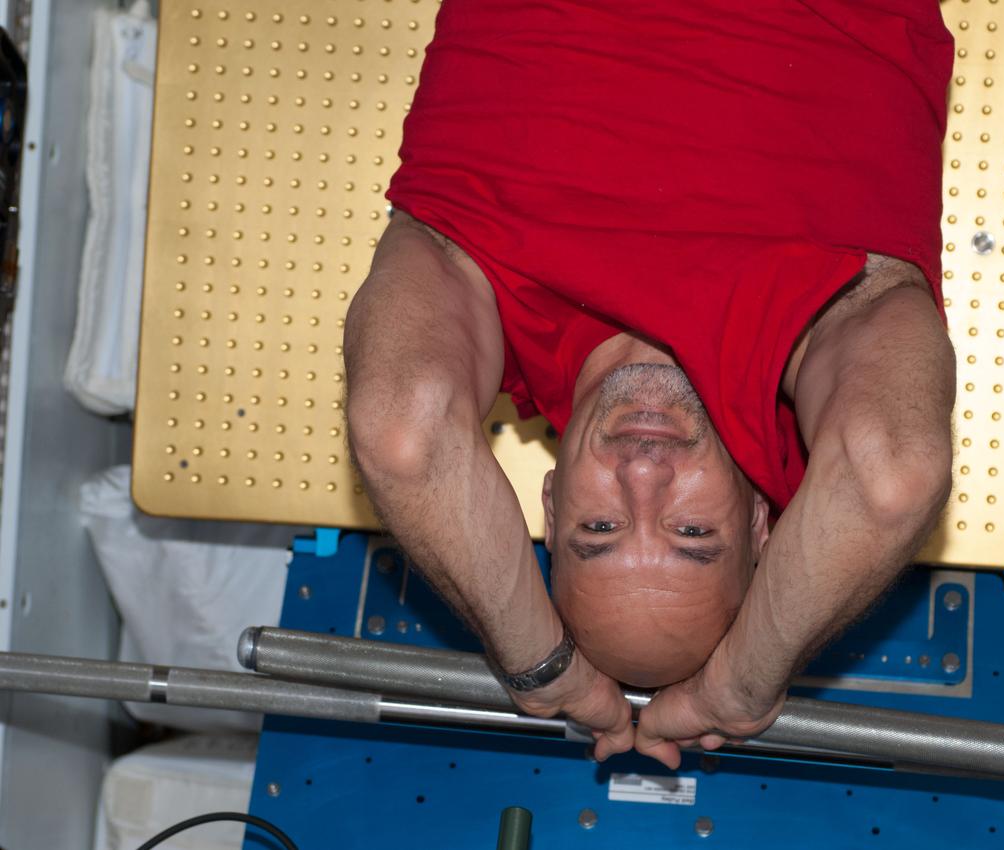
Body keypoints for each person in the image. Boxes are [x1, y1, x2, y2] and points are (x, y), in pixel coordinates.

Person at [343, 0, 956, 769]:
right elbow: (892, 477)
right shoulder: (827, 325)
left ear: (552, 501)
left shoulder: (480, 291)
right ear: (765, 523)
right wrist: (741, 685)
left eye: (597, 530)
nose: (642, 477)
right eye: (692, 535)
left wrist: (538, 665)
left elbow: (401, 433)